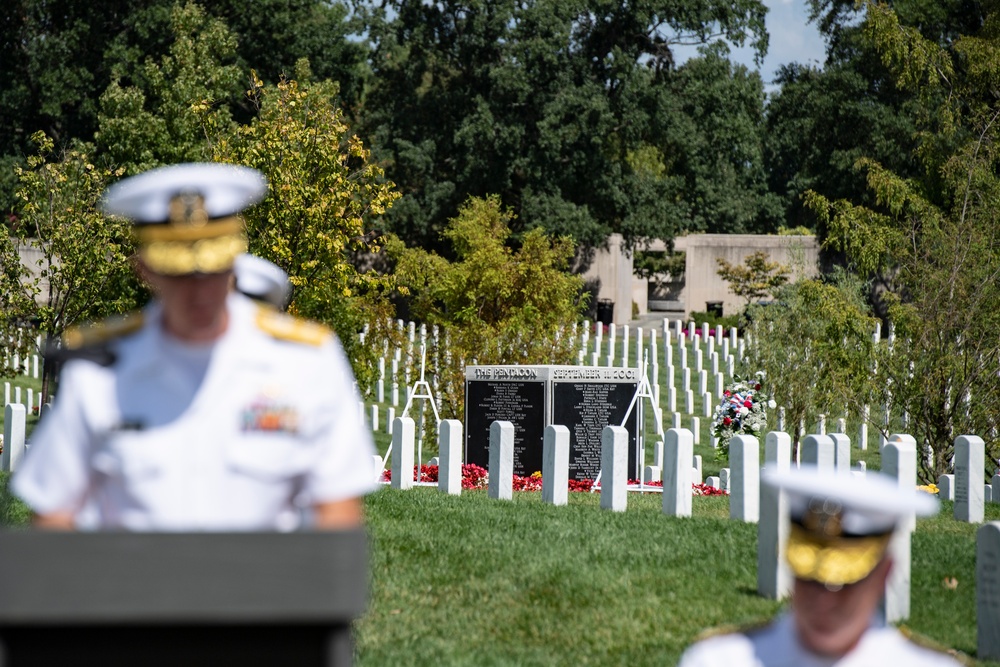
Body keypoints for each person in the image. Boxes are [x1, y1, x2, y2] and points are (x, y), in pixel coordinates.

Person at [13, 162, 377, 531]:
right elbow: (53, 518)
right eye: (180, 271)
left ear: (236, 259)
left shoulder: (304, 361)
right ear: (145, 269)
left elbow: (337, 515)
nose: (200, 290)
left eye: (215, 268)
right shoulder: (98, 368)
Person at [677, 466, 963, 666]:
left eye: (846, 580)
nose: (825, 599)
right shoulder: (719, 660)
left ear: (885, 572)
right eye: (809, 576)